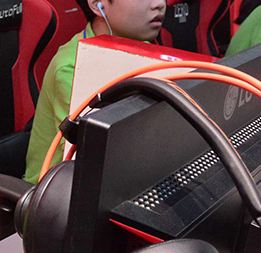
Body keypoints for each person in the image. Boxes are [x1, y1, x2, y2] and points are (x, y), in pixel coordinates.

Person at [23, 0, 166, 184]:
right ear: (97, 4)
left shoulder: (145, 48)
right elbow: (92, 157)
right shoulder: (72, 67)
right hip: (58, 190)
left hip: (126, 173)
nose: (159, 4)